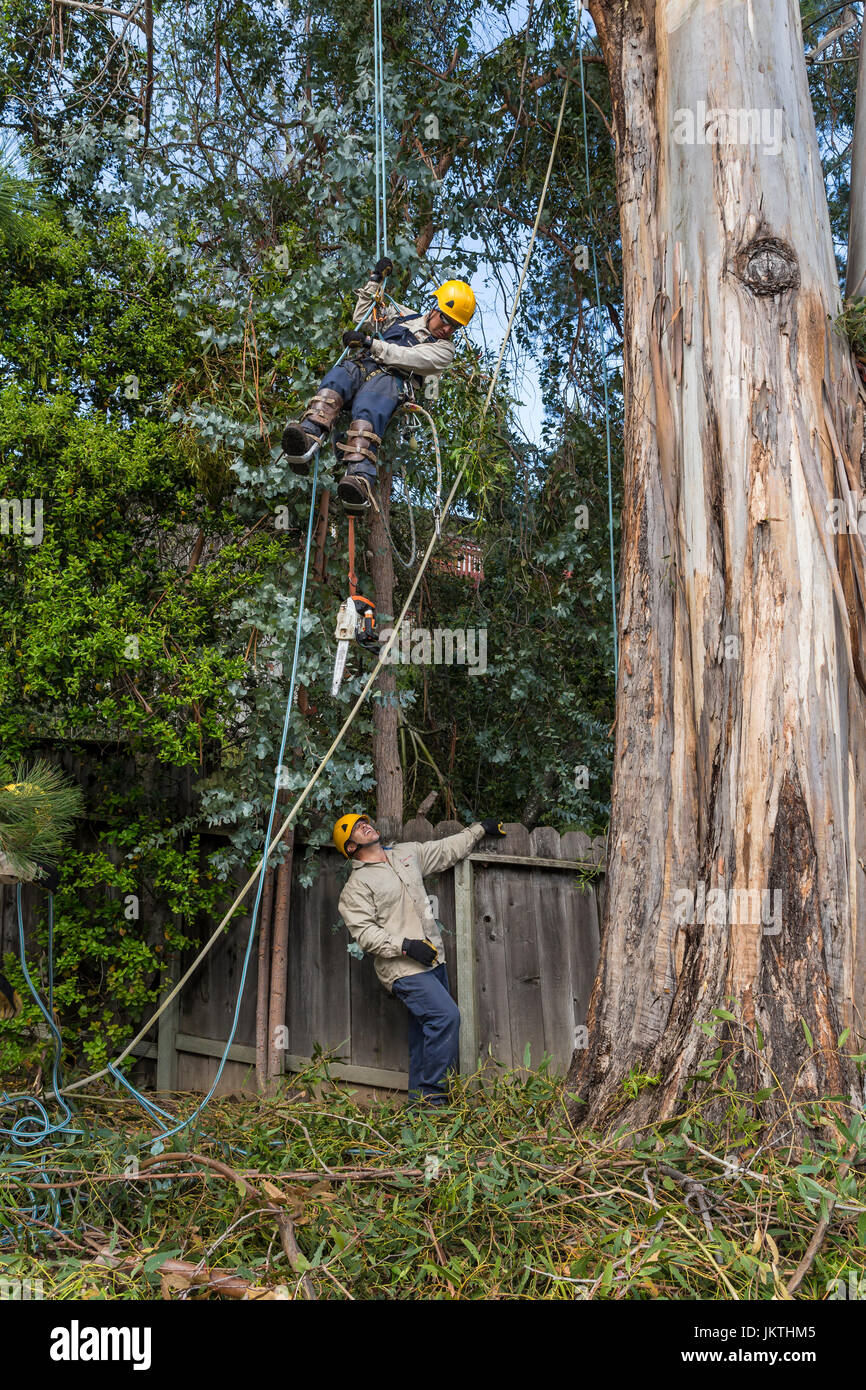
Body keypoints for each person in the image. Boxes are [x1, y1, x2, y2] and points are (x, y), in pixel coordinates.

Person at [333, 811, 505, 1106]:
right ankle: (434, 1102)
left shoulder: (405, 854)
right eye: (356, 828)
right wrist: (406, 946)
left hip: (433, 961)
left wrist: (479, 828)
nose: (365, 825)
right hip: (402, 968)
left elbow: (446, 849)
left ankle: (418, 1108)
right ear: (350, 848)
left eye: (365, 821)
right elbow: (365, 934)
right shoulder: (356, 888)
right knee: (446, 1017)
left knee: (423, 1035)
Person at [281, 260, 476, 514]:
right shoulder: (405, 316)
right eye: (446, 320)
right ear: (435, 308)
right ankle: (308, 436)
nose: (448, 329)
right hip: (364, 367)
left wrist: (370, 343)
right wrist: (374, 281)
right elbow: (362, 318)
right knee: (338, 378)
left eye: (455, 327)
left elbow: (406, 358)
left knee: (369, 407)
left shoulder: (445, 351)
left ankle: (360, 479)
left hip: (392, 381)